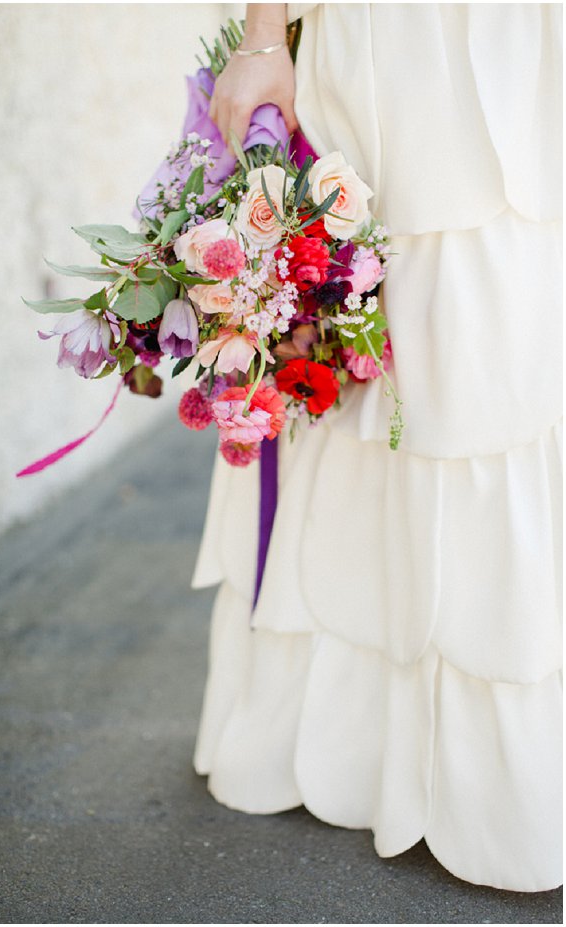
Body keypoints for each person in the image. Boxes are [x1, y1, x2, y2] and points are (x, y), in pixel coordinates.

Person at [191, 2, 562, 892]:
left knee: (511, 351)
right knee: (407, 334)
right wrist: (262, 36)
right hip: (393, 41)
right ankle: (406, 752)